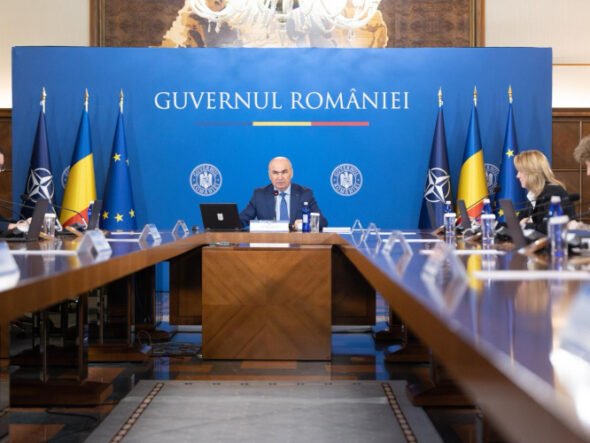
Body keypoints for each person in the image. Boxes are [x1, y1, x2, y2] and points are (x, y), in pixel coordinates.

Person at [240, 156, 328, 230]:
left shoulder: (305, 194)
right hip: (269, 245)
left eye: (284, 172)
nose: (280, 177)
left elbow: (322, 222)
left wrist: (305, 223)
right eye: (275, 173)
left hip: (297, 245)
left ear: (292, 173)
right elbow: (241, 221)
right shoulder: (259, 195)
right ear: (269, 175)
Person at [514, 149, 574, 234]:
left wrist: (525, 225)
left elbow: (549, 228)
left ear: (532, 172)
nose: (517, 176)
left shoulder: (553, 192)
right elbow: (518, 222)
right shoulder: (533, 194)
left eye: (520, 171)